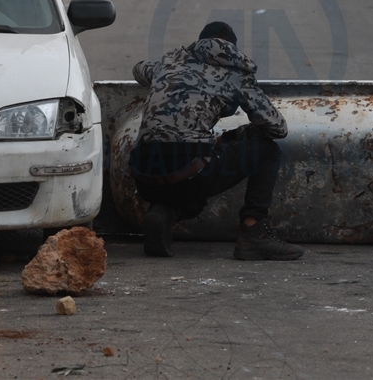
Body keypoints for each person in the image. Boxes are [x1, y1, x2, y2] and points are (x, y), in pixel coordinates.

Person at [129, 21, 304, 261]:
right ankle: (254, 231)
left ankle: (164, 211)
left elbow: (138, 69)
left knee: (198, 154)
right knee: (266, 150)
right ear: (231, 48)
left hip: (142, 174)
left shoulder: (166, 64)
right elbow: (278, 127)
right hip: (190, 172)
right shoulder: (236, 73)